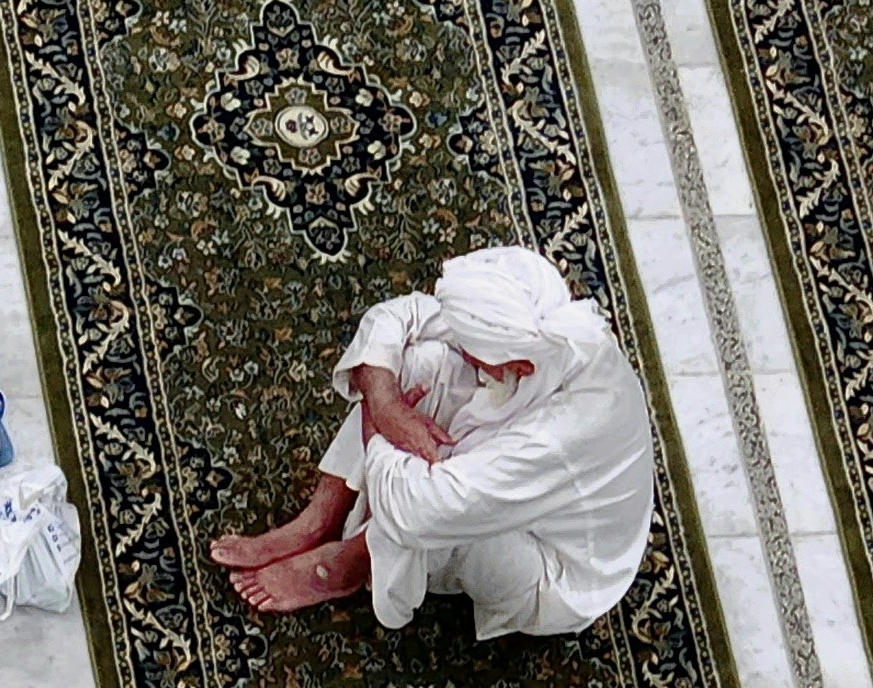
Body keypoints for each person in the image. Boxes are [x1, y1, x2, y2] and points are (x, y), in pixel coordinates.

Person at [211, 243, 654, 635]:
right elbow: (401, 317)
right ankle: (317, 520)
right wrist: (387, 403)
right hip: (511, 469)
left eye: (473, 351)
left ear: (517, 365)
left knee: (447, 512)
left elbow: (419, 512)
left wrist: (378, 426)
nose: (464, 351)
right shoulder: (529, 316)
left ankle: (349, 562)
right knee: (416, 362)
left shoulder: (564, 431)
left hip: (551, 567)